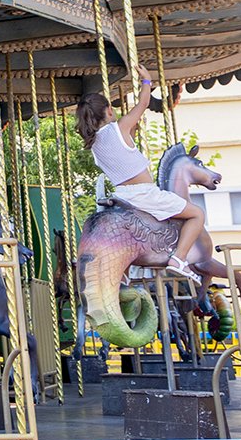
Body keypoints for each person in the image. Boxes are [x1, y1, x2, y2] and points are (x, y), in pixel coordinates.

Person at [76, 65, 211, 281]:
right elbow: (144, 103)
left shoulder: (93, 145)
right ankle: (179, 259)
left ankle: (123, 270)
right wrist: (146, 81)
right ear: (109, 110)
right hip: (145, 195)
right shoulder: (118, 128)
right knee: (196, 214)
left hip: (121, 197)